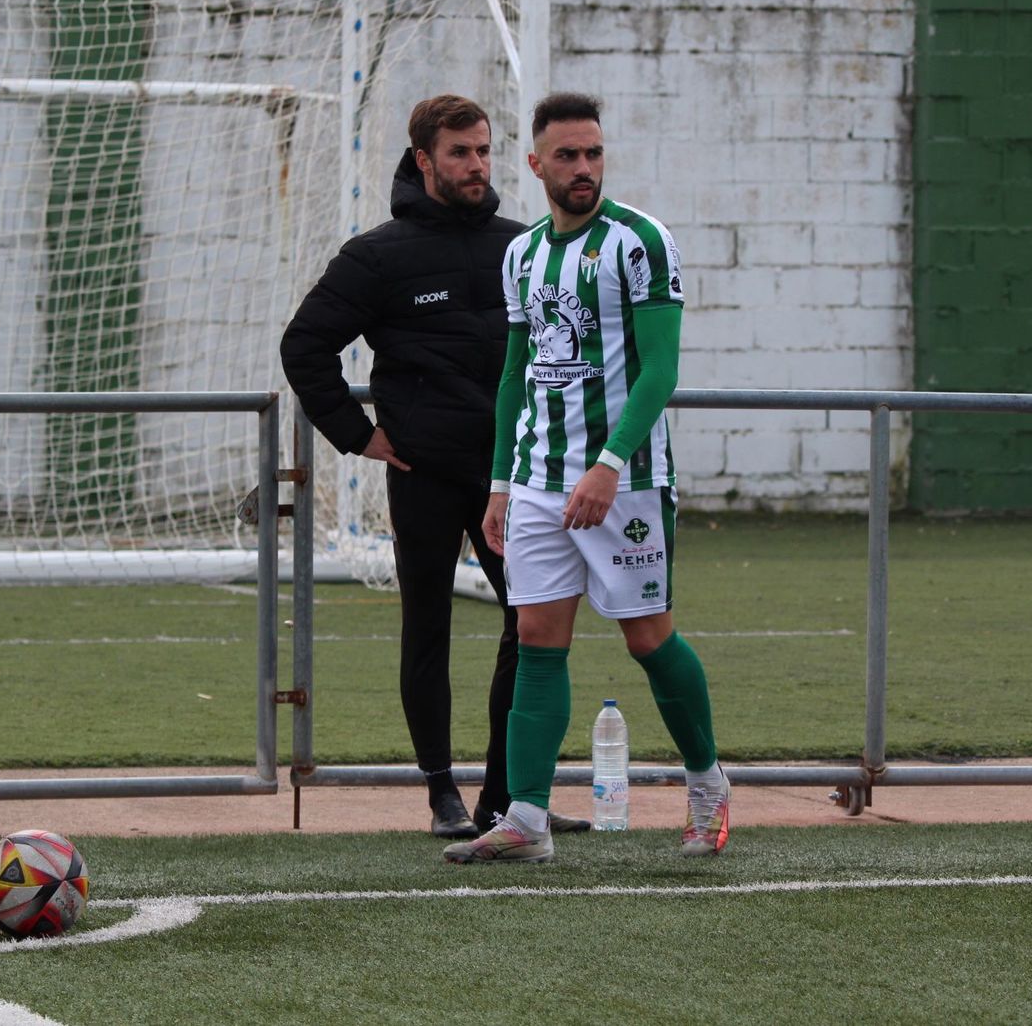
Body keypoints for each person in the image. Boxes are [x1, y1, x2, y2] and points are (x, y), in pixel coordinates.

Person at [281, 95, 588, 839]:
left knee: (532, 626)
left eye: (483, 151)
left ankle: (508, 797)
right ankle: (440, 791)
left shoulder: (526, 246)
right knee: (428, 628)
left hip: (511, 480)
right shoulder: (378, 255)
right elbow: (305, 347)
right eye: (460, 153)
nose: (476, 165)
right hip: (422, 475)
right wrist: (361, 436)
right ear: (424, 160)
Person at [444, 92, 730, 864]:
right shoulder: (524, 253)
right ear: (535, 164)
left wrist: (607, 463)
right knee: (536, 638)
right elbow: (515, 373)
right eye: (567, 156)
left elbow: (660, 369)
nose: (583, 169)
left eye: (593, 153)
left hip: (625, 480)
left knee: (647, 638)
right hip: (536, 480)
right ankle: (527, 818)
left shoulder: (641, 241)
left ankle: (709, 789)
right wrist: (501, 483)